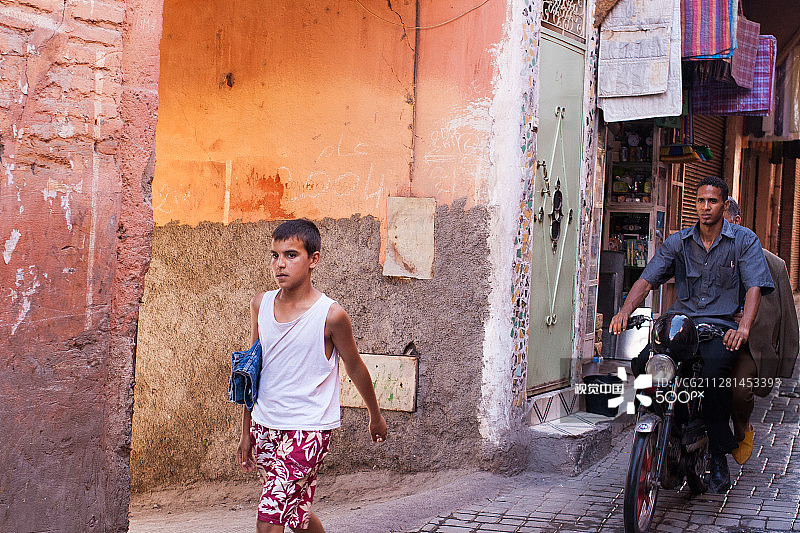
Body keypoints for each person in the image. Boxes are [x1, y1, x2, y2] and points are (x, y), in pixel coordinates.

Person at [610, 176, 774, 493]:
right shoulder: (679, 242)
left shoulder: (744, 240)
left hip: (721, 328)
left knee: (713, 379)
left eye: (712, 201)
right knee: (644, 362)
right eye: (700, 201)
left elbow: (754, 286)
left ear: (725, 205)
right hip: (680, 324)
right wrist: (624, 311)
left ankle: (718, 454)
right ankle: (660, 427)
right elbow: (647, 279)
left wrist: (743, 328)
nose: (705, 207)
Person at [236, 219, 387, 533]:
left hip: (308, 430)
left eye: (291, 255)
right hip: (266, 426)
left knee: (269, 519)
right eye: (275, 255)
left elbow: (355, 366)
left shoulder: (331, 315)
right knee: (295, 517)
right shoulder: (260, 304)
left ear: (313, 259)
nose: (280, 264)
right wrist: (246, 431)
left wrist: (375, 415)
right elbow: (253, 370)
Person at [724, 197, 798, 465]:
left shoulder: (773, 264)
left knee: (739, 387)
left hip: (751, 347)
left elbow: (789, 317)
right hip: (714, 338)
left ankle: (743, 428)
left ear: (737, 221)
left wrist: (784, 363)